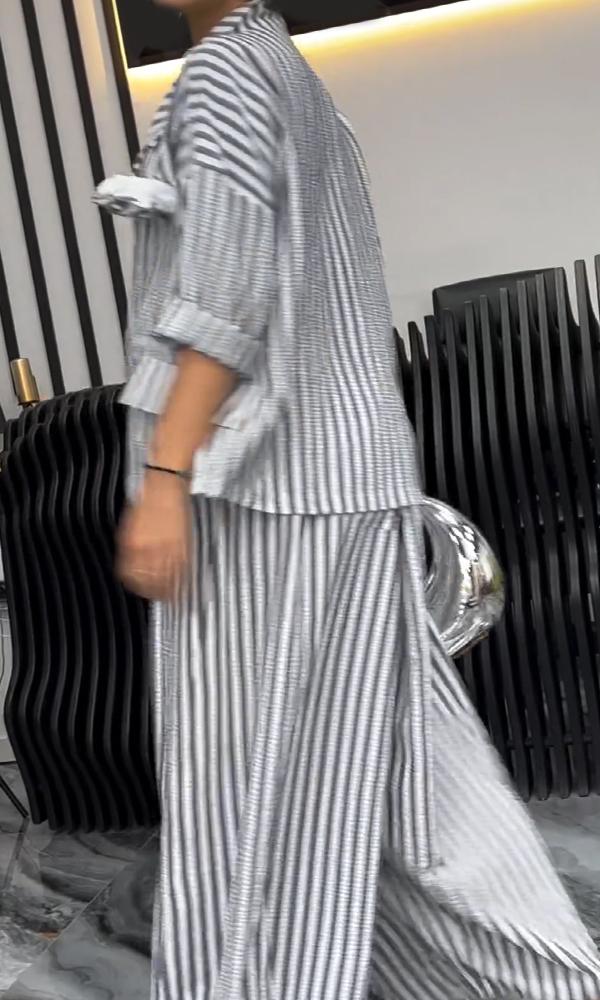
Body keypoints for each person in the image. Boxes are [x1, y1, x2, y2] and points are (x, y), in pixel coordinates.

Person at [94, 2, 600, 998]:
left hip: (261, 490)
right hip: (343, 480)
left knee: (251, 792)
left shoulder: (224, 78)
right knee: (410, 786)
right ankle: (547, 981)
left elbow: (225, 300)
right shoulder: (294, 79)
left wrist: (166, 479)